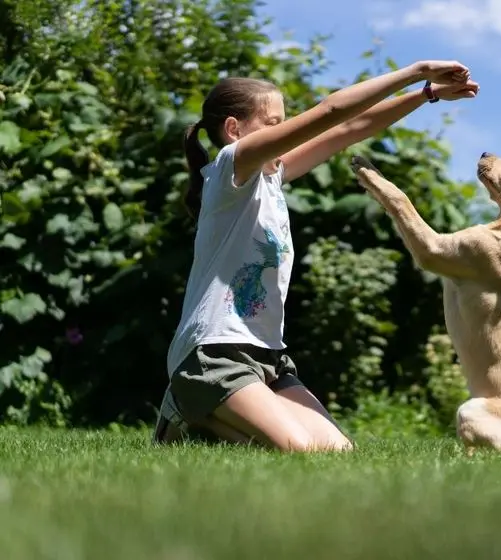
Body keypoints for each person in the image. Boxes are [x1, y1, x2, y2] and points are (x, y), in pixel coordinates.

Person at [152, 59, 480, 452]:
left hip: (267, 357)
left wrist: (426, 95)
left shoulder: (270, 177)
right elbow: (331, 112)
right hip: (213, 354)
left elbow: (350, 128)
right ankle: (185, 407)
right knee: (299, 451)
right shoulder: (230, 168)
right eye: (274, 124)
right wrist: (417, 70)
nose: (285, 132)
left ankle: (203, 421)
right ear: (234, 130)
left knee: (339, 454)